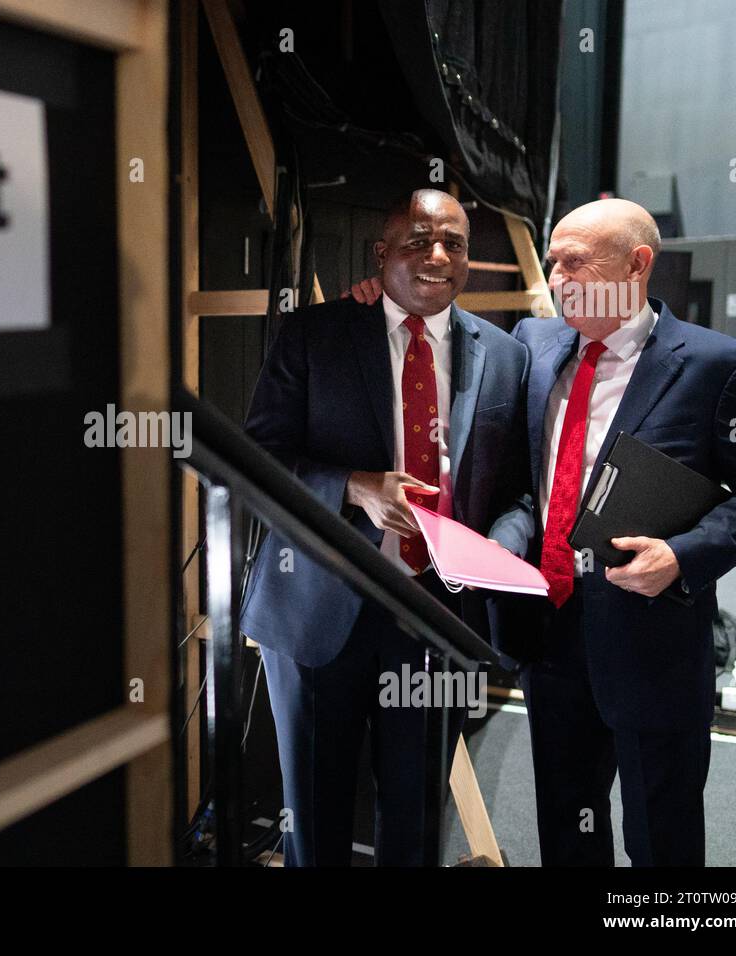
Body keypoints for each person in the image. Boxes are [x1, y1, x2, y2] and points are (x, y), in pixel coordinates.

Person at [349, 198, 736, 866]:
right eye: (552, 262)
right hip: (549, 638)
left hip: (653, 644)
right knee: (567, 826)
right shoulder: (537, 345)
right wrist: (507, 535)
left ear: (637, 264)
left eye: (573, 261)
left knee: (660, 836)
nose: (556, 278)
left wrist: (683, 554)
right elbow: (529, 480)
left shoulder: (716, 367)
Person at [240, 188, 530, 865]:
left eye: (453, 243)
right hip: (318, 614)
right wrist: (353, 486)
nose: (437, 256)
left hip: (438, 621)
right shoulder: (317, 334)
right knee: (314, 817)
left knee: (416, 821)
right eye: (418, 240)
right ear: (381, 254)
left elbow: (519, 493)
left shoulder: (507, 357)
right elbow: (257, 461)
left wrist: (495, 549)